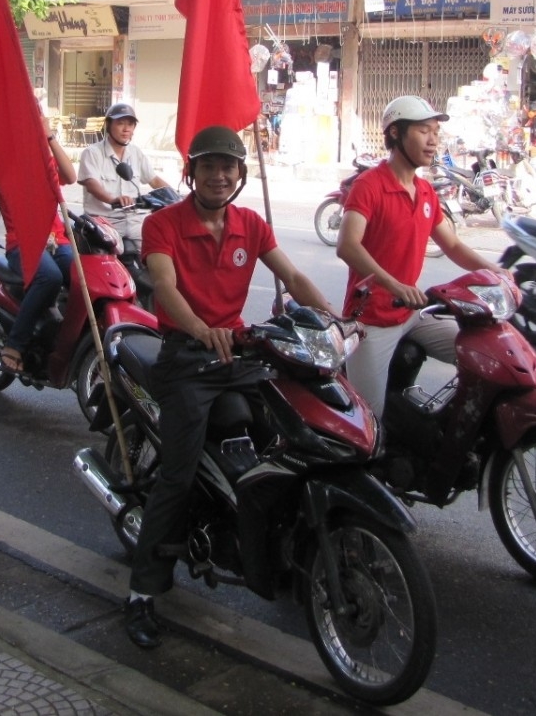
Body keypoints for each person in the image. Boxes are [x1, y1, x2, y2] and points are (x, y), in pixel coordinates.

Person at [123, 125, 336, 650]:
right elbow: (164, 288)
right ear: (191, 171)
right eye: (209, 166)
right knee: (175, 475)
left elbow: (293, 277)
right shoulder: (162, 223)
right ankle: (142, 592)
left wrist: (332, 318)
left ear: (241, 174)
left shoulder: (251, 224)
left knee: (294, 433)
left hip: (240, 353)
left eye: (229, 167)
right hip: (188, 358)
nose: (219, 175)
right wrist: (199, 328)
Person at [335, 95, 511, 420]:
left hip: (412, 314)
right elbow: (347, 245)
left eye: (435, 132)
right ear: (395, 135)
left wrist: (496, 272)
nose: (433, 141)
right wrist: (395, 285)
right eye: (423, 131)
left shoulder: (426, 191)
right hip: (372, 319)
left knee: (483, 355)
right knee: (368, 421)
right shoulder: (369, 186)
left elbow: (453, 246)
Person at [0, 117, 77, 373]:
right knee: (50, 278)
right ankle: (15, 344)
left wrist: (49, 136)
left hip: (58, 240)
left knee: (84, 276)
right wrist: (0, 144)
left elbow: (70, 176)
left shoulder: (45, 156)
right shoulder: (5, 160)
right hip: (22, 244)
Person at [77, 102, 172, 249]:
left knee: (162, 246)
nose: (126, 129)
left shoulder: (136, 153)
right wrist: (112, 199)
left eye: (130, 124)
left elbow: (154, 180)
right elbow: (91, 184)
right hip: (104, 221)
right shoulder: (92, 153)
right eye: (120, 123)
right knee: (107, 262)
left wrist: (176, 198)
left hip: (134, 220)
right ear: (108, 125)